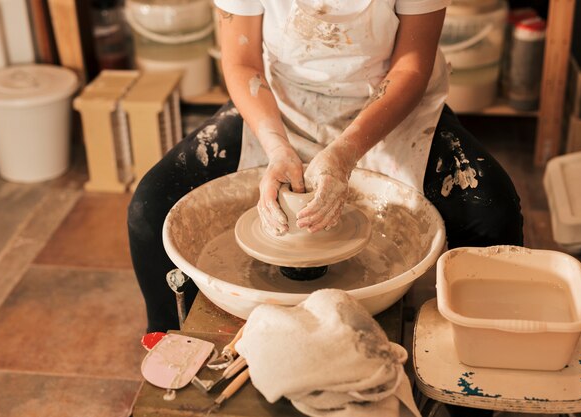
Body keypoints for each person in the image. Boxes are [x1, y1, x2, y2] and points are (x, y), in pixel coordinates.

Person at [128, 0, 523, 336]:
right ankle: (175, 350)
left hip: (390, 105)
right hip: (279, 105)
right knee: (151, 207)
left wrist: (345, 152)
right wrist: (276, 145)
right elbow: (242, 63)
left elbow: (410, 68)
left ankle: (468, 385)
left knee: (491, 213)